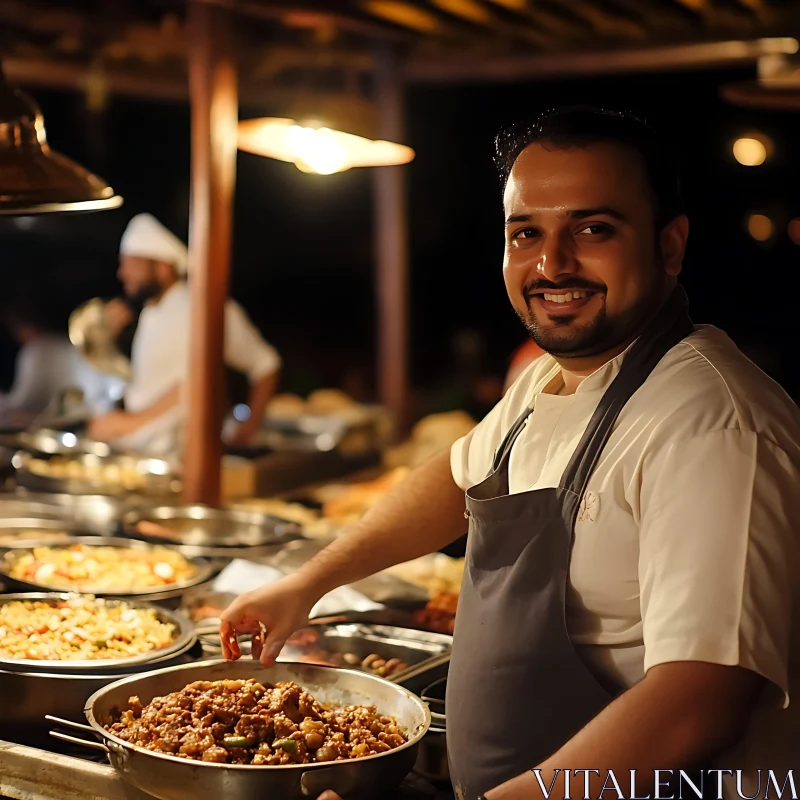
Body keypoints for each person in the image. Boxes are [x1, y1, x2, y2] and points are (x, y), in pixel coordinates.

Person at [219, 108, 800, 800]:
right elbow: (455, 478)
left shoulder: (714, 424)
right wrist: (306, 584)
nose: (552, 264)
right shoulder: (547, 377)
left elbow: (700, 700)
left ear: (670, 246)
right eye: (527, 233)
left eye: (593, 229)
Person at [88, 213, 281, 455]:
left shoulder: (203, 307)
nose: (122, 273)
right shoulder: (150, 313)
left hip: (182, 458)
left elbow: (261, 366)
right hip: (138, 452)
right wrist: (108, 339)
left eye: (132, 263)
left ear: (163, 266)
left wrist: (249, 428)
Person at [0, 300, 120, 428]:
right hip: (87, 419)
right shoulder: (66, 347)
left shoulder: (37, 350)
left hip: (86, 422)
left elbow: (21, 401)